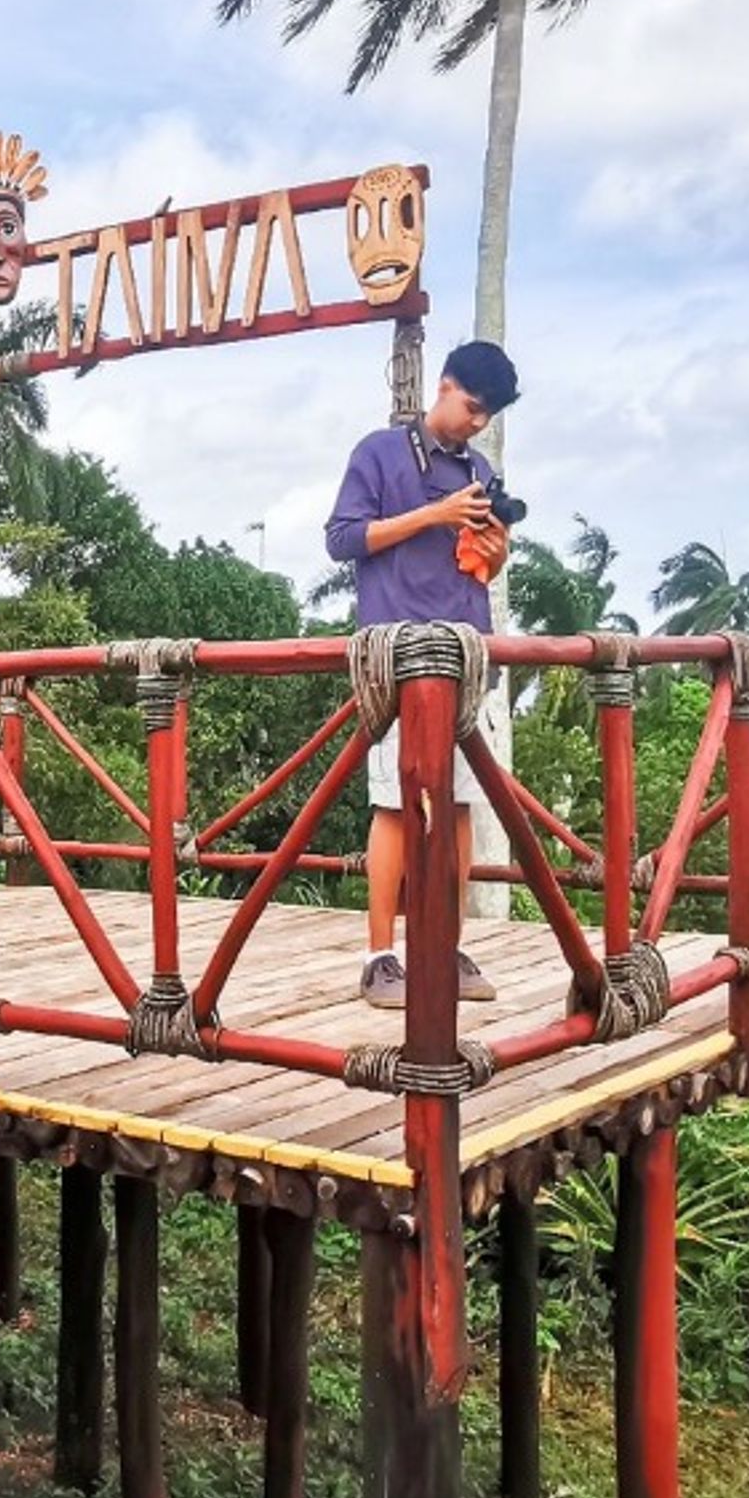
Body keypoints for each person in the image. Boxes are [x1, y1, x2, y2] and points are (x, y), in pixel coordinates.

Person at [321, 339, 518, 1009]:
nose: (476, 423)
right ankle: (380, 958)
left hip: (467, 651)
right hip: (398, 656)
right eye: (472, 407)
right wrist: (433, 514)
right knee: (393, 806)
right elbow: (342, 538)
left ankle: (448, 947)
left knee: (461, 807)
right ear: (443, 387)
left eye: (487, 415)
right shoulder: (378, 452)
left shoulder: (480, 470)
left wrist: (494, 547)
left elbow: (479, 566)